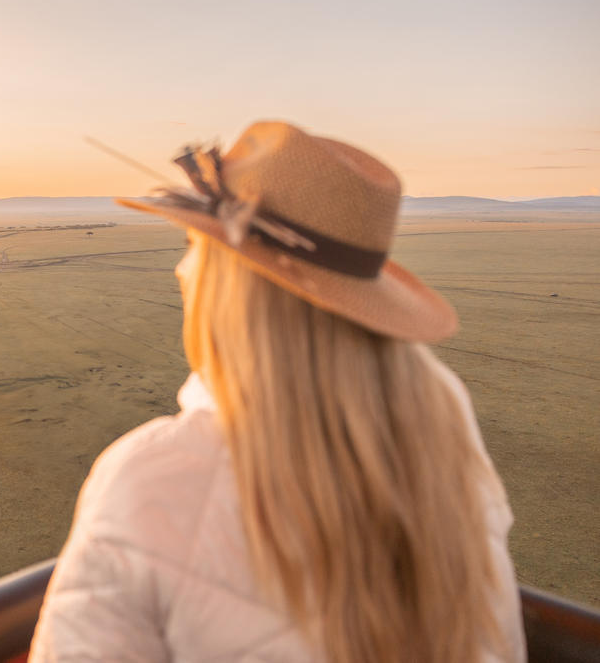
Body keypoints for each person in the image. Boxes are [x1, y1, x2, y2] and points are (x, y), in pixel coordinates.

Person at [28, 122, 525, 662]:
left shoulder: (153, 475)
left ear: (233, 286)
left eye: (197, 246)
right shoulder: (444, 427)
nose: (182, 267)